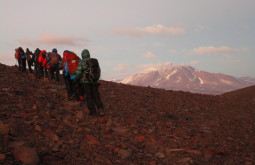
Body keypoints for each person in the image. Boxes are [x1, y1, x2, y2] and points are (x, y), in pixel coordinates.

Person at [75, 49, 104, 116]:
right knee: (96, 95)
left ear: (82, 55)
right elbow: (99, 71)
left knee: (89, 96)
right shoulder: (94, 61)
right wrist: (95, 79)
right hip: (94, 81)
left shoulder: (82, 62)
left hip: (85, 82)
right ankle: (100, 109)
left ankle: (93, 112)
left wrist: (76, 80)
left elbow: (78, 73)